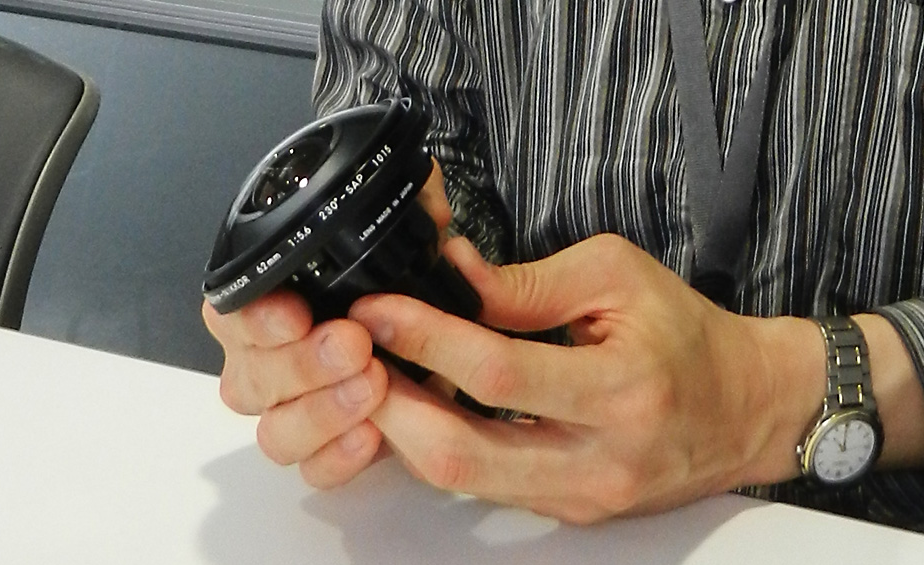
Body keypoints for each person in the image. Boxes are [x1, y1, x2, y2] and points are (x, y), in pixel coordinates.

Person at [203, 0, 924, 529]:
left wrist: (767, 392)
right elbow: (404, 133)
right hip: (511, 533)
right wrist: (367, 325)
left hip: (880, 540)